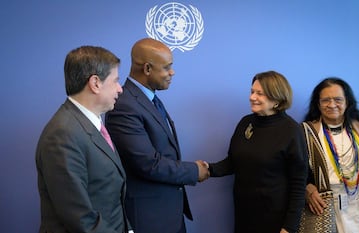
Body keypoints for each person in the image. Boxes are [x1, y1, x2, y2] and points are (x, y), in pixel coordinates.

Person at [105, 38, 209, 233]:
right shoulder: (124, 105)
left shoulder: (148, 98)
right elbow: (147, 163)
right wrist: (194, 171)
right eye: (167, 67)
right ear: (147, 69)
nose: (172, 72)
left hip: (169, 215)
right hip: (150, 219)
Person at [36, 46, 132, 233]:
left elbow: (109, 198)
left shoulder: (90, 125)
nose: (120, 89)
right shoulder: (62, 135)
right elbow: (80, 218)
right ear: (95, 83)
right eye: (116, 81)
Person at [207, 71, 308, 233]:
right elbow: (233, 163)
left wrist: (289, 227)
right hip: (244, 215)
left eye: (259, 93)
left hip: (275, 219)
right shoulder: (245, 122)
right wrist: (207, 169)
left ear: (276, 98)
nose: (252, 97)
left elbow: (299, 183)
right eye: (252, 91)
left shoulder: (291, 130)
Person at [303, 77, 359, 233]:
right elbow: (297, 170)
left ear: (347, 102)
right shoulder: (307, 132)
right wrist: (308, 190)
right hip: (326, 210)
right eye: (325, 100)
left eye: (338, 99)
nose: (332, 105)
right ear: (318, 104)